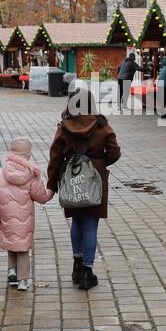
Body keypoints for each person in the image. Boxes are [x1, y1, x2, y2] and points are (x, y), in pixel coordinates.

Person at [47, 89, 121, 290]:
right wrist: (99, 162)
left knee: (76, 221)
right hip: (94, 177)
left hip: (71, 176)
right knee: (90, 225)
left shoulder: (64, 127)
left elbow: (54, 157)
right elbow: (114, 152)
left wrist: (51, 185)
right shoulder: (102, 125)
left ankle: (76, 266)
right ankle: (88, 272)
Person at [0, 137, 53, 293]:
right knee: (22, 248)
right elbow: (41, 197)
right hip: (24, 221)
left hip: (5, 219)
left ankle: (12, 272)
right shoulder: (32, 176)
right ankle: (23, 280)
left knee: (11, 244)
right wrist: (51, 192)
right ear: (28, 155)